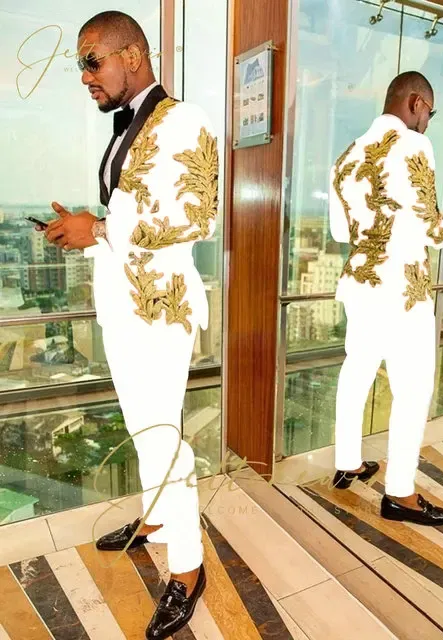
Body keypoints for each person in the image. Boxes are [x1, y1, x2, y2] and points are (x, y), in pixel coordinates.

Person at [43, 11, 217, 639]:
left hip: (161, 309)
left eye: (93, 61)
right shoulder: (127, 129)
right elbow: (138, 213)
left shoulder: (185, 120)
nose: (85, 75)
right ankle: (156, 518)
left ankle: (188, 568)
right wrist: (89, 229)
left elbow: (199, 217)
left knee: (164, 434)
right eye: (81, 64)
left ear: (134, 56)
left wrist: (100, 228)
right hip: (123, 306)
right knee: (144, 428)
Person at [329, 71, 443, 527]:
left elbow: (339, 232)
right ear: (416, 102)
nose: (428, 122)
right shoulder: (414, 146)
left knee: (357, 368)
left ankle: (347, 462)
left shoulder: (346, 157)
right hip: (402, 287)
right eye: (430, 112)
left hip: (359, 282)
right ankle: (400, 493)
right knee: (413, 387)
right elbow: (430, 227)